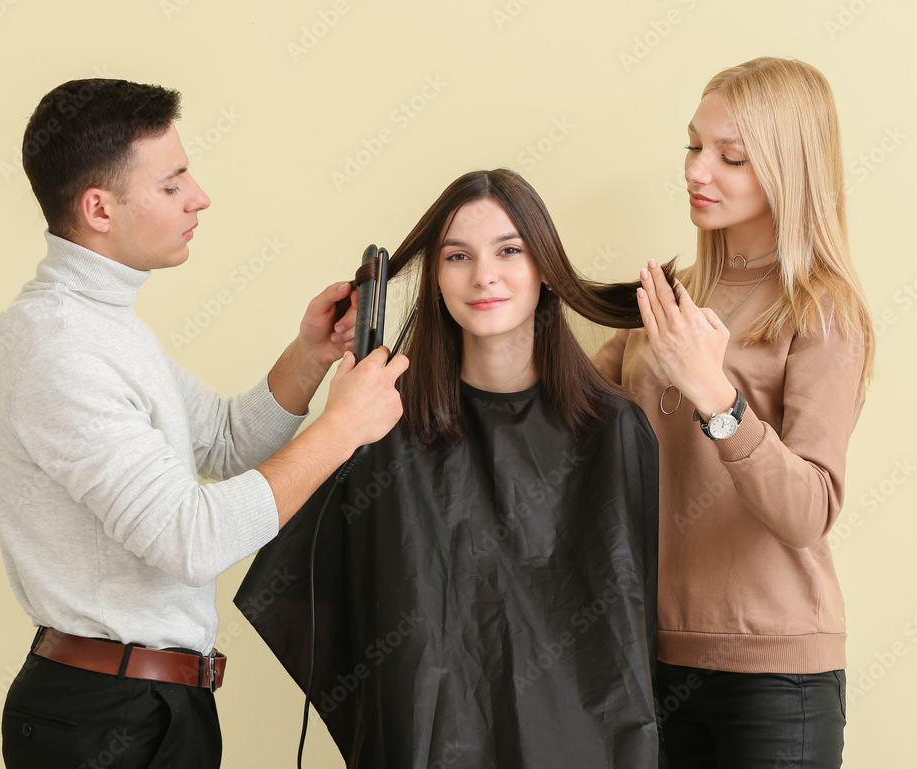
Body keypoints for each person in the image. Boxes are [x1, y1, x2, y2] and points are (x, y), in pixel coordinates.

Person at [0, 78, 408, 769]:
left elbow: (224, 441)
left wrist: (309, 357)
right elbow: (189, 537)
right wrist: (342, 428)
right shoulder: (58, 349)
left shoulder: (104, 326)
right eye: (172, 183)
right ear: (99, 208)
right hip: (102, 716)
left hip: (149, 706)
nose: (199, 196)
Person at [236, 168, 664, 768]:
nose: (484, 276)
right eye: (458, 256)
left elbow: (633, 628)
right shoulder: (383, 423)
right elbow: (306, 588)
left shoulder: (614, 429)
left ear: (545, 268)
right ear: (435, 279)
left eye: (509, 251)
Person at [595, 57, 874, 768]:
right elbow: (572, 419)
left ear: (787, 168)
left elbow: (809, 507)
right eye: (693, 146)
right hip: (655, 659)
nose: (698, 171)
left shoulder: (821, 309)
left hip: (778, 681)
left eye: (732, 157)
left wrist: (717, 396)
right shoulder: (667, 298)